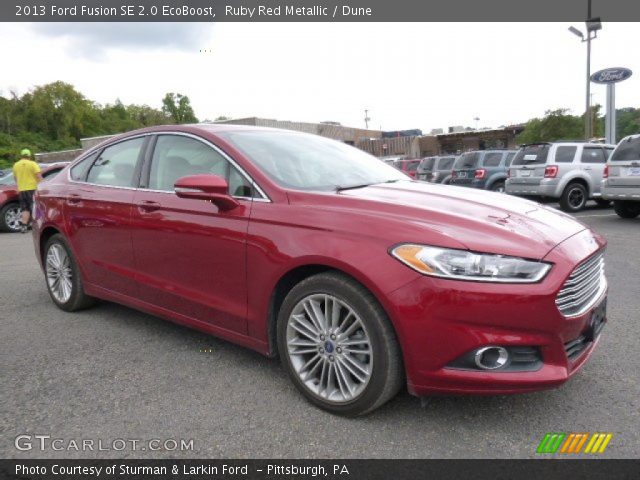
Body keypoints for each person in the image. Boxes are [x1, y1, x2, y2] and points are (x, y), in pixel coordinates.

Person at [12, 148, 42, 233]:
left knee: (25, 209)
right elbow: (38, 176)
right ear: (29, 156)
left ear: (21, 156)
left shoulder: (16, 165)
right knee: (34, 208)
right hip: (32, 189)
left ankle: (24, 226)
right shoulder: (33, 164)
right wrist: (43, 186)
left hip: (22, 190)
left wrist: (20, 186)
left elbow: (15, 178)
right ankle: (36, 226)